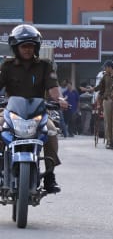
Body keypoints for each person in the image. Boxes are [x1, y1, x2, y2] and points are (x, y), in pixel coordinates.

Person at [0, 24, 67, 193]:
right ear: (16, 47)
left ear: (36, 47)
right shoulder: (7, 66)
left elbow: (53, 87)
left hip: (38, 112)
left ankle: (50, 175)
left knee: (51, 132)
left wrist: (59, 99)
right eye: (24, 46)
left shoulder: (45, 65)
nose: (27, 49)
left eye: (30, 46)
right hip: (11, 111)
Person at [98, 60, 113, 149]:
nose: (105, 69)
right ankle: (109, 141)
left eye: (105, 67)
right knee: (108, 121)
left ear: (110, 67)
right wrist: (91, 90)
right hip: (107, 100)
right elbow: (100, 88)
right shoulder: (105, 77)